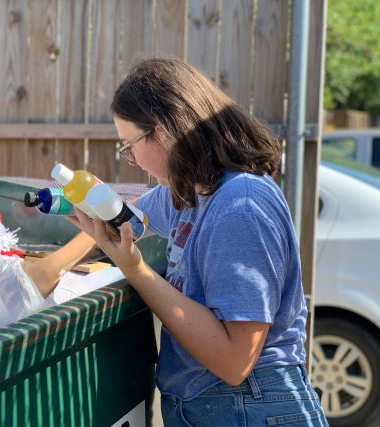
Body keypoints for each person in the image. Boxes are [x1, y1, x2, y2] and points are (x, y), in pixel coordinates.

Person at [36, 58, 328, 426]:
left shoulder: (241, 207)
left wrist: (136, 270)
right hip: (216, 406)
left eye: (130, 145)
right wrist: (56, 259)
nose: (131, 160)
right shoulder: (192, 192)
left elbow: (235, 361)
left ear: (164, 132)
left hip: (249, 406)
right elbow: (131, 217)